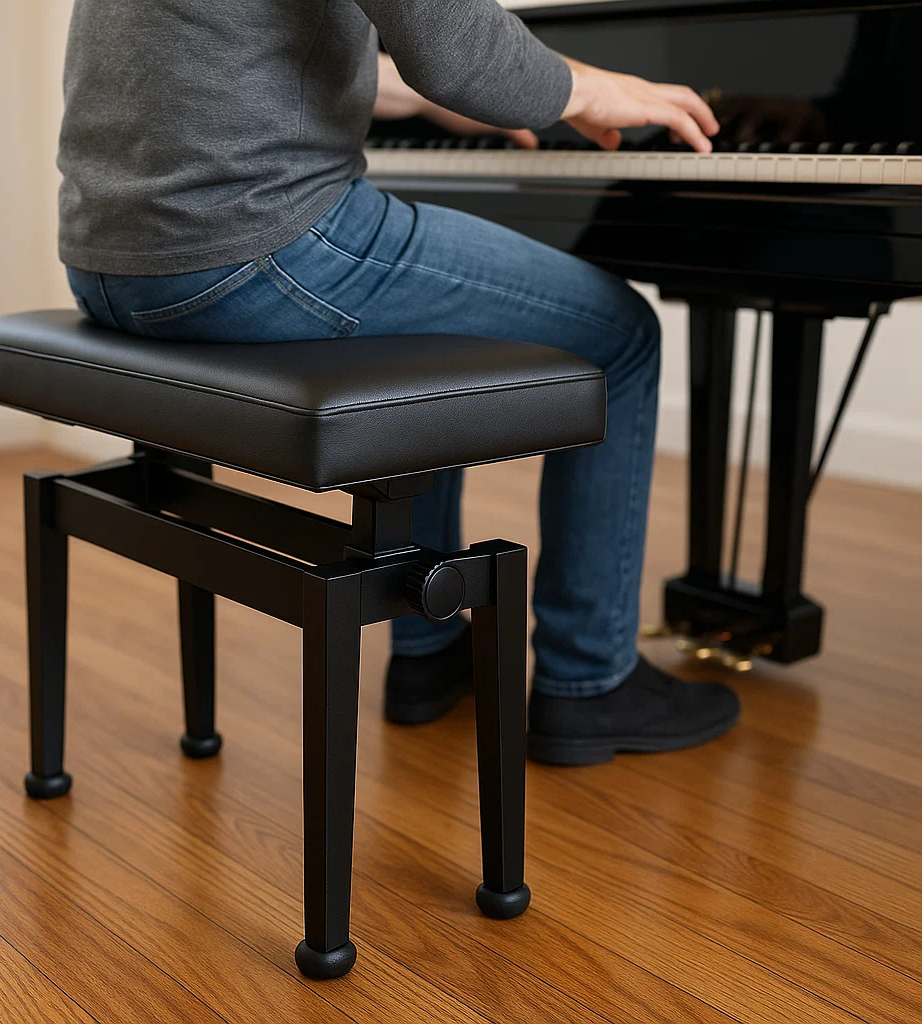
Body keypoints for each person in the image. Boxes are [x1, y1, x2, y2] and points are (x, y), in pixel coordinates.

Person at [59, 0, 740, 766]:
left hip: (112, 264)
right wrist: (584, 87)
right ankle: (590, 683)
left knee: (436, 322)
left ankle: (428, 649)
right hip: (260, 250)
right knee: (621, 334)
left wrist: (424, 96)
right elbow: (455, 47)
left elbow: (239, 60)